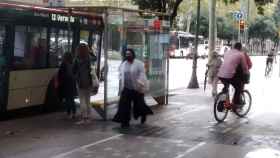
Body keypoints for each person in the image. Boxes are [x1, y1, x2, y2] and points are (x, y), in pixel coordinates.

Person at [113, 48, 153, 128]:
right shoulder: (123, 64)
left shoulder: (138, 64)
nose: (128, 56)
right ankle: (125, 121)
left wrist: (140, 84)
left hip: (137, 88)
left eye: (129, 54)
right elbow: (120, 75)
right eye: (127, 54)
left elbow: (142, 74)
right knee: (123, 105)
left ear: (133, 55)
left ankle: (143, 114)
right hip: (127, 88)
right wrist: (121, 85)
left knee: (139, 105)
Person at [218, 42, 249, 107]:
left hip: (220, 74)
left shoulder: (227, 52)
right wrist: (246, 73)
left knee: (226, 87)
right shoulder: (241, 54)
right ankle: (236, 102)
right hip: (230, 75)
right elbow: (244, 67)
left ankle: (224, 100)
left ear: (233, 47)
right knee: (239, 87)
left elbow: (228, 62)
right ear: (240, 48)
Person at [73, 43, 93, 124]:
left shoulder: (77, 59)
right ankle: (89, 118)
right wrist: (90, 52)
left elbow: (73, 70)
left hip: (80, 82)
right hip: (89, 81)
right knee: (88, 100)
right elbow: (94, 58)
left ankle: (84, 118)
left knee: (82, 100)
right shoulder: (89, 58)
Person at [58, 53, 77, 119]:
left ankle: (69, 113)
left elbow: (60, 74)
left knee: (67, 99)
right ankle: (74, 113)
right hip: (72, 83)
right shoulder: (73, 63)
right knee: (71, 99)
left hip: (66, 83)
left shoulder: (63, 64)